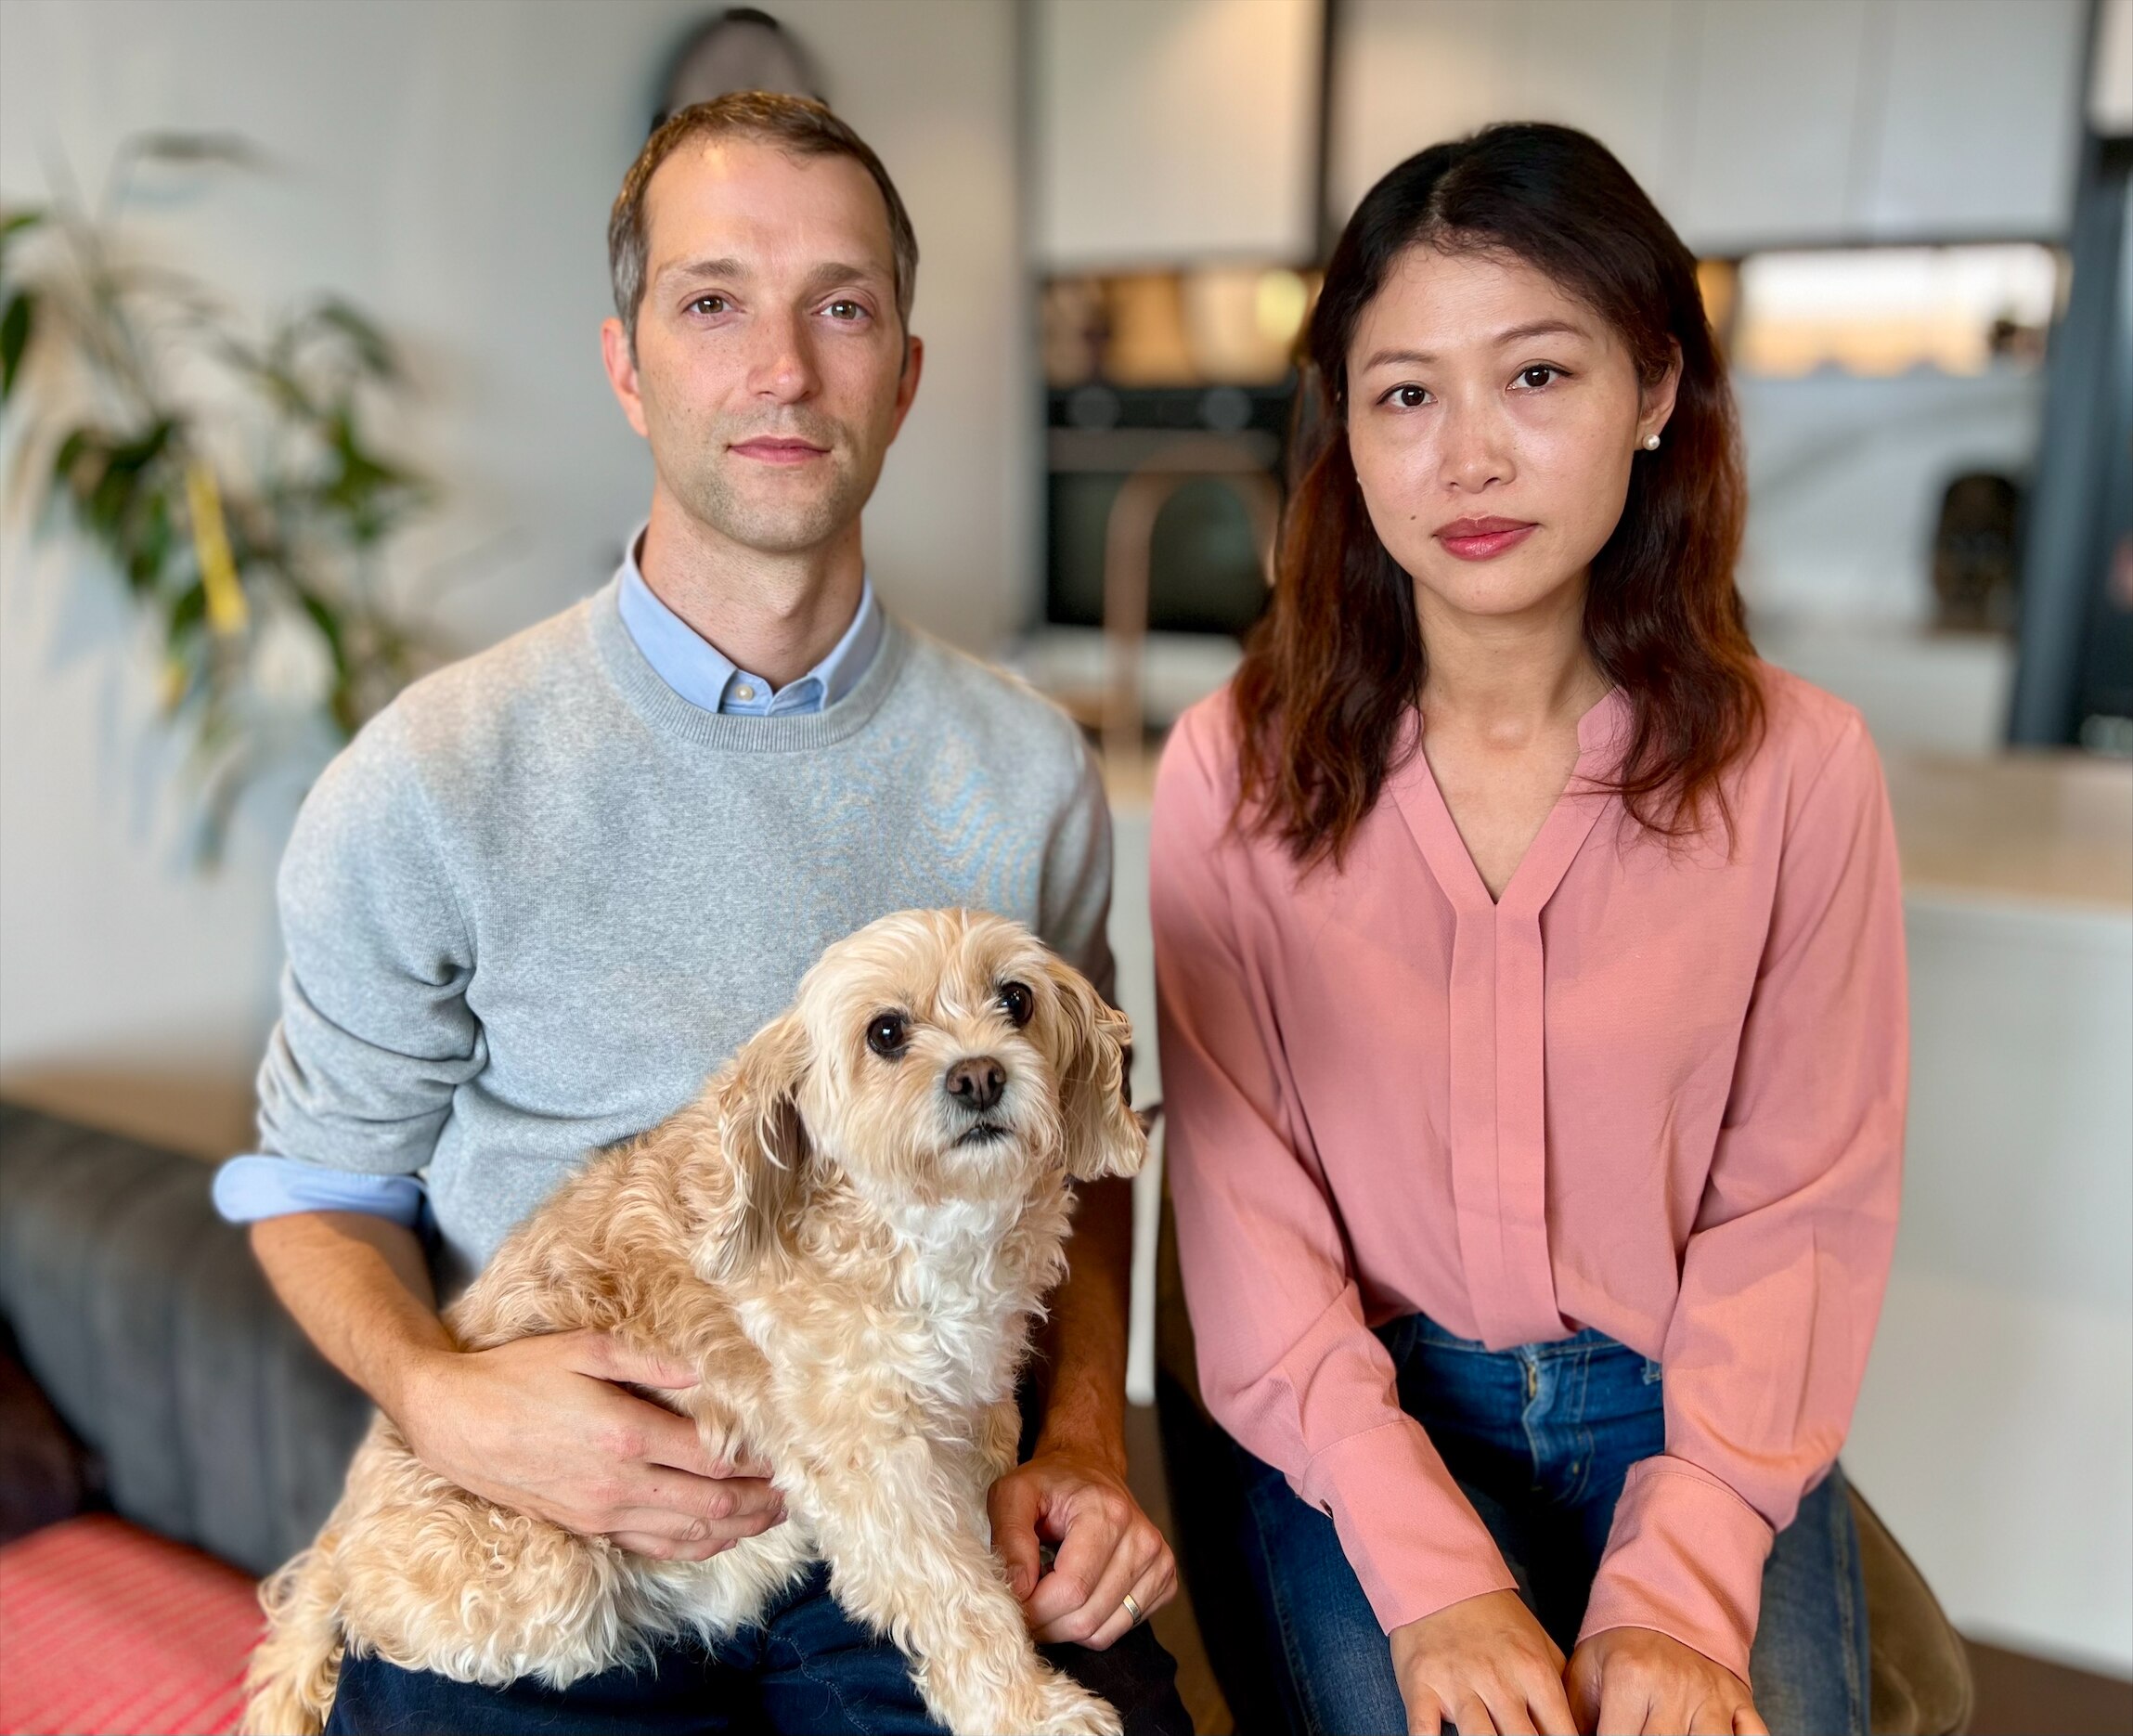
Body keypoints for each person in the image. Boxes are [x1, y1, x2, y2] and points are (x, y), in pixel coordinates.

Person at [213, 91, 1186, 1736]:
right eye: (714, 300)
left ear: (907, 368)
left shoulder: (1022, 766)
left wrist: (1084, 1430)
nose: (784, 369)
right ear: (628, 362)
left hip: (920, 1496)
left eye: (843, 306)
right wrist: (449, 1404)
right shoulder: (431, 775)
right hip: (558, 1515)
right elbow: (313, 1189)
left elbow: (1083, 1143)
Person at [1152, 123, 1903, 1736]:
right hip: (1360, 1416)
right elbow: (1243, 1216)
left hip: (1687, 1412)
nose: (1466, 459)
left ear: (1652, 392)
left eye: (1537, 377)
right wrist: (1437, 1581)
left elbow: (1799, 1210)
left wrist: (1683, 1587)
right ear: (1344, 437)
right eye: (1405, 394)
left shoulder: (1801, 770)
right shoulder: (1234, 767)